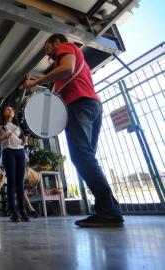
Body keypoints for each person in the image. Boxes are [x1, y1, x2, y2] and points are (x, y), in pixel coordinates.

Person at [24, 33, 123, 227]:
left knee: (81, 157)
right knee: (87, 158)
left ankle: (109, 211)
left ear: (57, 42)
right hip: (92, 105)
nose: (48, 54)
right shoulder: (78, 60)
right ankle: (107, 208)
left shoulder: (66, 47)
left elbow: (67, 69)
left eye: (48, 48)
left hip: (79, 104)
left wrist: (35, 82)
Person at [0, 106, 29, 222]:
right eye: (7, 109)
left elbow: (23, 142)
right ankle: (13, 211)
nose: (10, 110)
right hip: (8, 152)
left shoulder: (18, 127)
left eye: (12, 109)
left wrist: (25, 141)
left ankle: (23, 211)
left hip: (20, 152)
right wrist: (2, 138)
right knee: (11, 181)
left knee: (20, 182)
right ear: (3, 113)